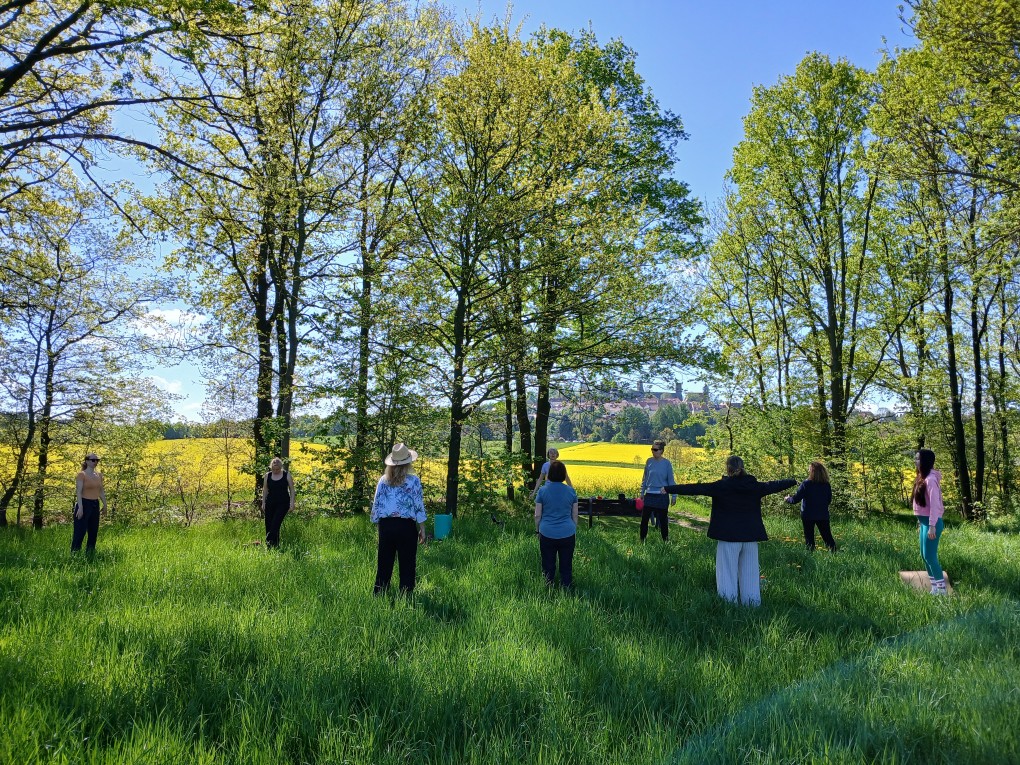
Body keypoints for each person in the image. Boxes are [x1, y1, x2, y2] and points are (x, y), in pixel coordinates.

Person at [663, 455, 795, 606]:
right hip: (750, 538)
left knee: (726, 573)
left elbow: (695, 488)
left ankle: (728, 606)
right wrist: (794, 481)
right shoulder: (754, 486)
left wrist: (668, 489)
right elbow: (775, 485)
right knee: (750, 575)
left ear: (728, 469)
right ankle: (752, 606)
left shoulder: (721, 486)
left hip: (728, 538)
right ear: (742, 467)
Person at [371, 443, 426, 595]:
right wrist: (422, 528)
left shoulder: (383, 480)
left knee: (384, 563)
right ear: (408, 462)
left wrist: (379, 527)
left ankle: (379, 594)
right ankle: (406, 596)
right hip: (406, 527)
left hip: (386, 526)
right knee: (407, 563)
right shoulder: (413, 481)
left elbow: (377, 505)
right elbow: (418, 505)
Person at [534, 460, 579, 588]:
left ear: (550, 474)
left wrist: (537, 530)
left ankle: (549, 586)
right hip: (567, 533)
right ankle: (566, 587)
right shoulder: (571, 491)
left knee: (548, 563)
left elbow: (537, 515)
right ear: (564, 474)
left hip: (547, 532)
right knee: (566, 563)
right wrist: (573, 529)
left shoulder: (542, 491)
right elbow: (575, 515)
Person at [913, 448, 947, 595]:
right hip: (925, 523)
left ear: (925, 461)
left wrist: (932, 525)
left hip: (932, 524)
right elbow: (923, 505)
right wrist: (921, 523)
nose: (915, 461)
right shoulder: (922, 477)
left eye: (918, 459)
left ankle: (942, 590)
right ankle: (934, 587)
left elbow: (935, 505)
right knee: (924, 555)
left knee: (930, 556)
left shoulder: (931, 480)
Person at [784, 461, 836, 552]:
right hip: (823, 514)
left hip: (808, 515)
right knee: (827, 537)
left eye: (809, 469)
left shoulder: (806, 484)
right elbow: (829, 500)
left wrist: (788, 498)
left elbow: (795, 499)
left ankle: (810, 557)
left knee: (809, 539)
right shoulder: (826, 485)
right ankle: (834, 554)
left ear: (812, 471)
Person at [640, 440, 675, 541]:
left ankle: (665, 541)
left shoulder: (667, 464)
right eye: (652, 449)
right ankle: (642, 540)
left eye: (655, 449)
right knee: (644, 520)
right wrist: (642, 492)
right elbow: (645, 478)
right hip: (649, 495)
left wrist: (674, 496)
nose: (653, 451)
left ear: (661, 451)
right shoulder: (649, 461)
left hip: (662, 496)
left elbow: (671, 480)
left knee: (663, 520)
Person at [72, 453, 106, 553]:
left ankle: (90, 553)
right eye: (93, 460)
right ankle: (75, 554)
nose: (95, 462)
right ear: (87, 461)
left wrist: (105, 504)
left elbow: (101, 491)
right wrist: (80, 508)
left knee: (93, 531)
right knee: (80, 531)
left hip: (95, 504)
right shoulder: (82, 474)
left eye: (97, 460)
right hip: (84, 503)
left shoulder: (99, 475)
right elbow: (78, 491)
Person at [261, 457, 295, 548]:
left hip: (283, 503)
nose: (275, 471)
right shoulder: (267, 475)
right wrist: (263, 502)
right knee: (268, 525)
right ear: (271, 467)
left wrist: (292, 503)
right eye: (273, 469)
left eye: (277, 469)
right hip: (270, 503)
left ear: (281, 467)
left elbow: (292, 489)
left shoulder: (286, 475)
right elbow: (265, 490)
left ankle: (271, 544)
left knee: (275, 524)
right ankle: (272, 547)